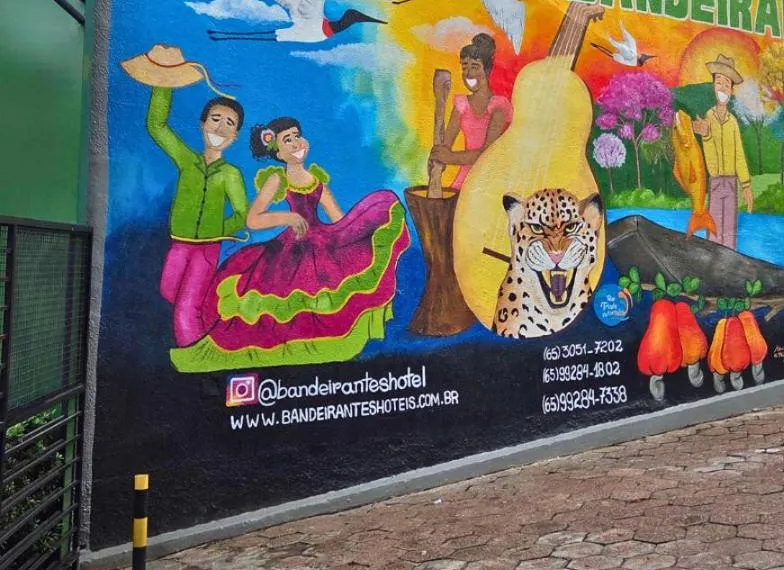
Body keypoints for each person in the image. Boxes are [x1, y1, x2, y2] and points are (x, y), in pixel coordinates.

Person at [168, 115, 409, 372]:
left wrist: (367, 227)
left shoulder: (318, 182)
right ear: (279, 152)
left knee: (321, 307)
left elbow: (340, 221)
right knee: (282, 310)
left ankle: (321, 351)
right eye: (287, 140)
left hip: (322, 249)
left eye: (297, 135)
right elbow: (253, 219)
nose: (295, 143)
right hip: (285, 256)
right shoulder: (277, 180)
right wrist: (288, 217)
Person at [146, 82, 248, 347]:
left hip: (207, 249)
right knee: (170, 291)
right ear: (202, 124)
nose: (220, 127)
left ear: (235, 136)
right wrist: (162, 84)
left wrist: (217, 229)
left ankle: (195, 354)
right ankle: (214, 327)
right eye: (215, 119)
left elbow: (241, 213)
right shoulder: (186, 160)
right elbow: (157, 127)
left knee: (186, 307)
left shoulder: (231, 174)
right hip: (179, 243)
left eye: (229, 123)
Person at [431, 32, 512, 190]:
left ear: (486, 70)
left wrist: (450, 157)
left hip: (490, 180)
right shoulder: (462, 105)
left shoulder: (498, 106)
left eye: (474, 67)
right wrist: (437, 159)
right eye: (464, 67)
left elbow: (487, 153)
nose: (468, 73)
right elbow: (446, 145)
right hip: (464, 180)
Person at [692, 55, 753, 249]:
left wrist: (746, 185)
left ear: (732, 90)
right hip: (716, 182)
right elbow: (708, 151)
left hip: (732, 183)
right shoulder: (708, 117)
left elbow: (739, 155)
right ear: (713, 86)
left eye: (727, 83)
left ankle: (730, 260)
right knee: (715, 225)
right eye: (719, 82)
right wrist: (706, 134)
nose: (723, 87)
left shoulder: (733, 122)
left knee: (730, 229)